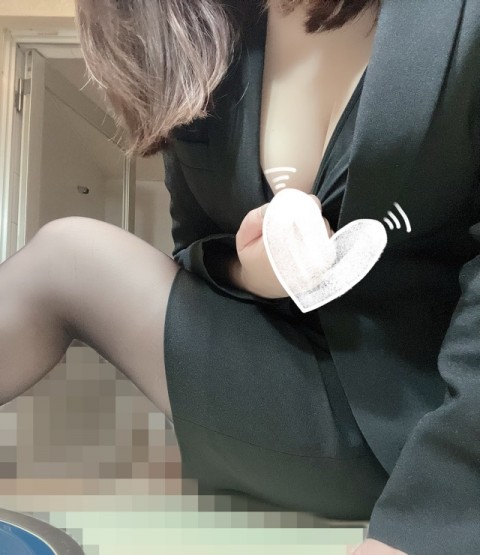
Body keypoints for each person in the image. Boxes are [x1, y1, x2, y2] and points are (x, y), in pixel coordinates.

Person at [2, 1, 479, 554]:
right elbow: (193, 244)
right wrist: (250, 270)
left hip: (425, 421)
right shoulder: (205, 40)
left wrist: (423, 528)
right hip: (277, 382)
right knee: (68, 256)